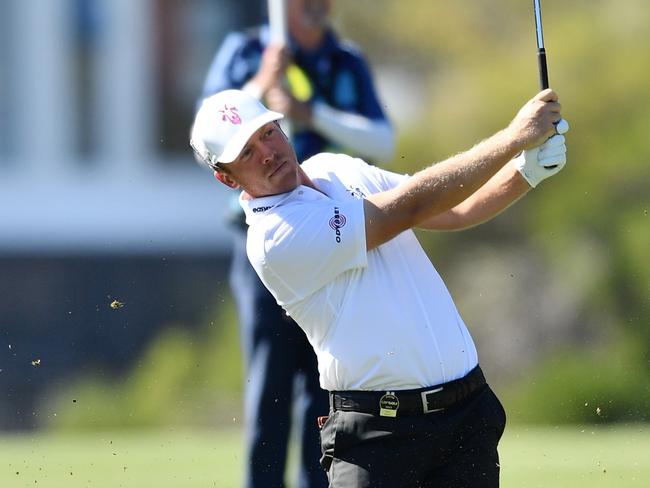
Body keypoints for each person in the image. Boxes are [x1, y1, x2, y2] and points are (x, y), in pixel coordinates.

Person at [190, 86, 568, 487]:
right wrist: (512, 138)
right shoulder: (274, 238)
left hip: (465, 418)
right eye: (246, 152)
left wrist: (525, 171)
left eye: (266, 133)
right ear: (227, 178)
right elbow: (407, 207)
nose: (267, 152)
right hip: (378, 437)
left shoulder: (336, 168)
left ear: (281, 127)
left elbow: (453, 209)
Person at [197, 1, 394, 487]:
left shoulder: (346, 59)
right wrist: (263, 83)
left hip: (329, 230)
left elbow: (383, 141)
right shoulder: (245, 51)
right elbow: (206, 137)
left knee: (324, 381)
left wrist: (309, 113)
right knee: (271, 383)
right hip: (267, 237)